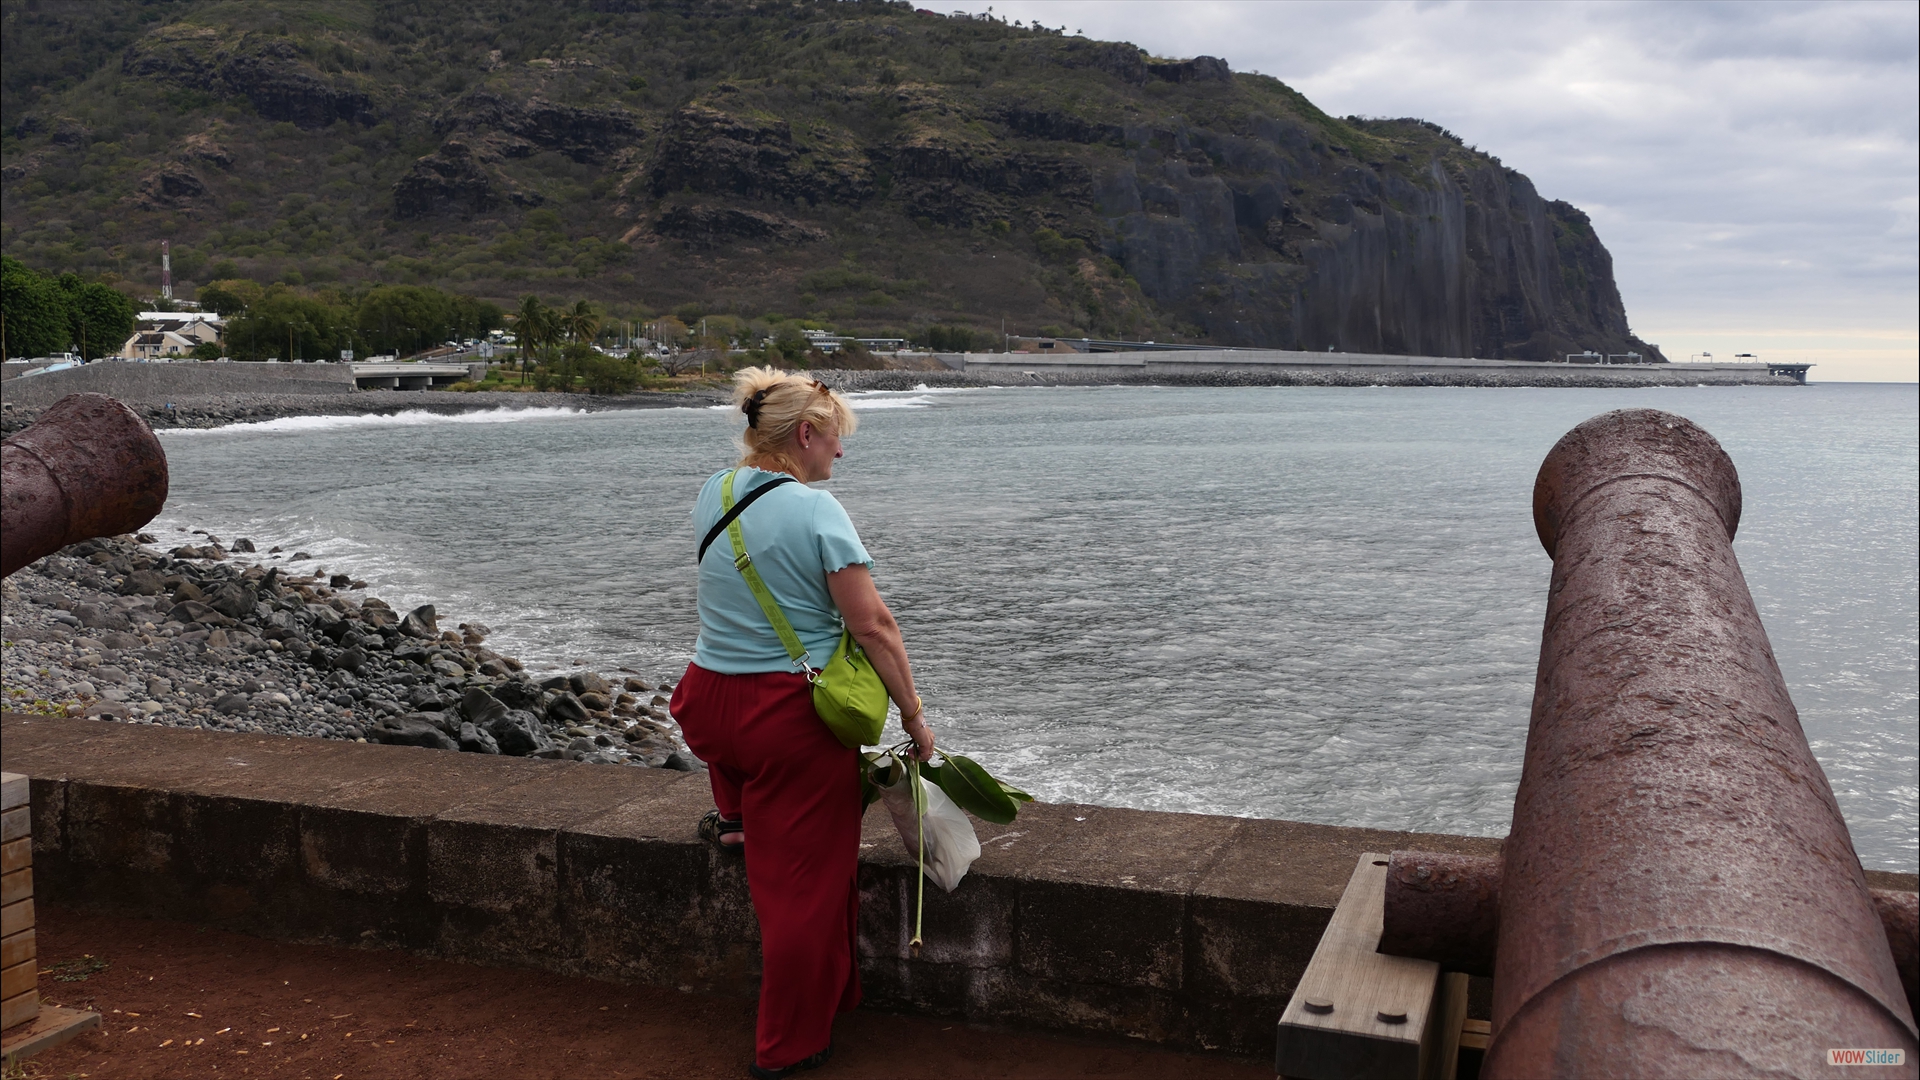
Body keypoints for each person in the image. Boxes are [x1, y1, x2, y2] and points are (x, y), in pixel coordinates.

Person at [669, 367, 934, 1080]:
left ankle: (734, 817)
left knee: (750, 776)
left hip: (708, 708)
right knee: (802, 893)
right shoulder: (818, 512)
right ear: (806, 435)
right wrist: (913, 714)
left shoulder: (713, 491)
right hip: (780, 723)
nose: (840, 455)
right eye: (837, 439)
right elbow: (875, 626)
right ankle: (786, 1046)